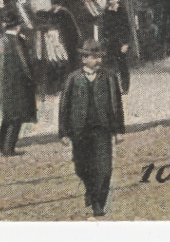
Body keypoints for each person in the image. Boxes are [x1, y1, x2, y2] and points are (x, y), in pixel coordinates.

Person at [59, 38, 126, 217]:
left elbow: (116, 104)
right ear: (84, 59)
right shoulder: (73, 79)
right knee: (82, 167)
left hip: (102, 129)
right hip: (79, 130)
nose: (99, 60)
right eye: (94, 57)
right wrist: (63, 132)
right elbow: (64, 107)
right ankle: (89, 189)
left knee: (104, 169)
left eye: (100, 57)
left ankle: (98, 203)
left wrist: (119, 130)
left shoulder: (109, 76)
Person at [0, 21, 38, 155]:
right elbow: (26, 65)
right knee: (16, 118)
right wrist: (32, 81)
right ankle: (8, 149)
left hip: (3, 87)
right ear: (18, 27)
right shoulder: (18, 42)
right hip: (19, 86)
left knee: (8, 116)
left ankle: (0, 142)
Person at [98, 0, 133, 94]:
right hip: (110, 44)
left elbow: (127, 29)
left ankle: (125, 88)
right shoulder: (106, 14)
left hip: (121, 44)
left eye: (118, 2)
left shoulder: (122, 13)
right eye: (115, 3)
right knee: (109, 67)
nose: (117, 4)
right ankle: (111, 87)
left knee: (123, 66)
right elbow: (103, 29)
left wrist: (126, 43)